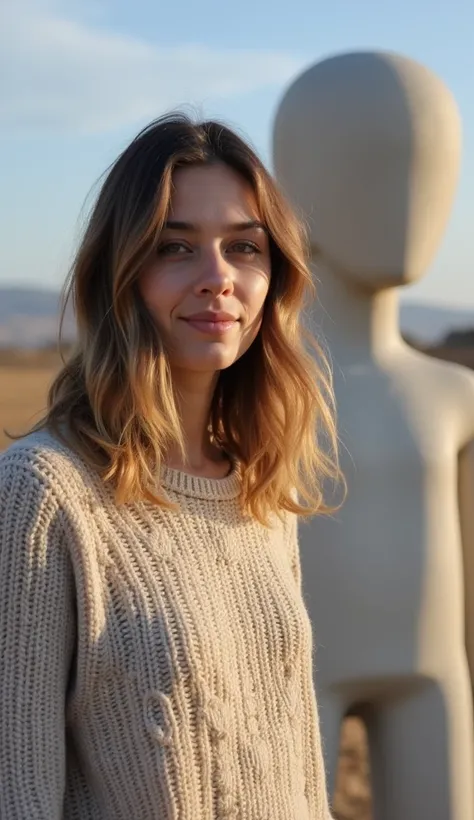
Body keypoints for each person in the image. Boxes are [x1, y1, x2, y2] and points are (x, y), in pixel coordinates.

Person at [0, 114, 341, 819]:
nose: (219, 278)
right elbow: (17, 793)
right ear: (121, 274)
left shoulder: (260, 490)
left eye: (244, 247)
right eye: (175, 247)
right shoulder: (44, 492)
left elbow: (302, 772)